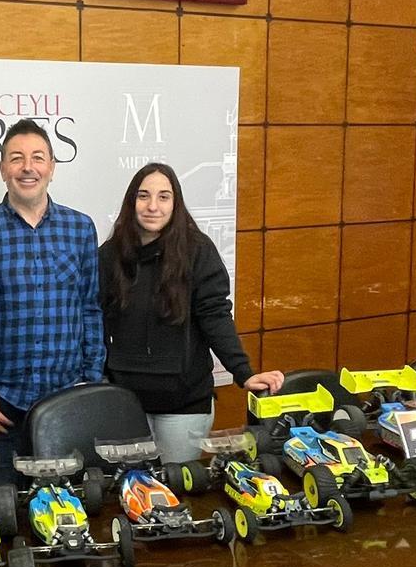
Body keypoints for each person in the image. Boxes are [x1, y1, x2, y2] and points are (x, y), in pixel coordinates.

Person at [0, 119, 105, 487]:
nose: (27, 167)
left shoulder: (80, 228)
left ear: (52, 166)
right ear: (3, 168)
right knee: (3, 510)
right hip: (0, 405)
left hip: (66, 399)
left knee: (68, 509)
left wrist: (91, 381)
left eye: (38, 157)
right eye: (16, 158)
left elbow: (90, 309)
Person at [98, 162, 284, 463]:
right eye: (143, 196)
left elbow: (215, 316)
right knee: (132, 490)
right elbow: (95, 322)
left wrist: (244, 373)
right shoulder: (108, 256)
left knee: (175, 491)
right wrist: (99, 379)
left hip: (183, 405)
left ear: (176, 203)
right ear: (131, 202)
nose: (152, 206)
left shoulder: (198, 251)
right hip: (125, 402)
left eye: (163, 197)